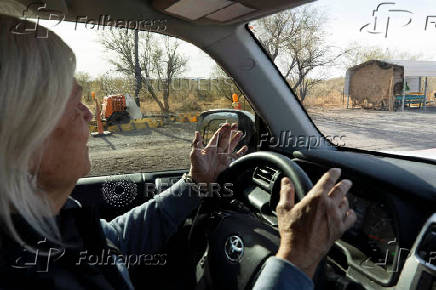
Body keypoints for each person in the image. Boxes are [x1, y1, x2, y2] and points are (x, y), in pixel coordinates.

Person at [0, 11, 356, 290]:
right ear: (25, 135)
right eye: (75, 104)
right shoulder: (34, 275)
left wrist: (195, 184)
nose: (90, 115)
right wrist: (296, 260)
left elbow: (116, 243)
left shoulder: (47, 227)